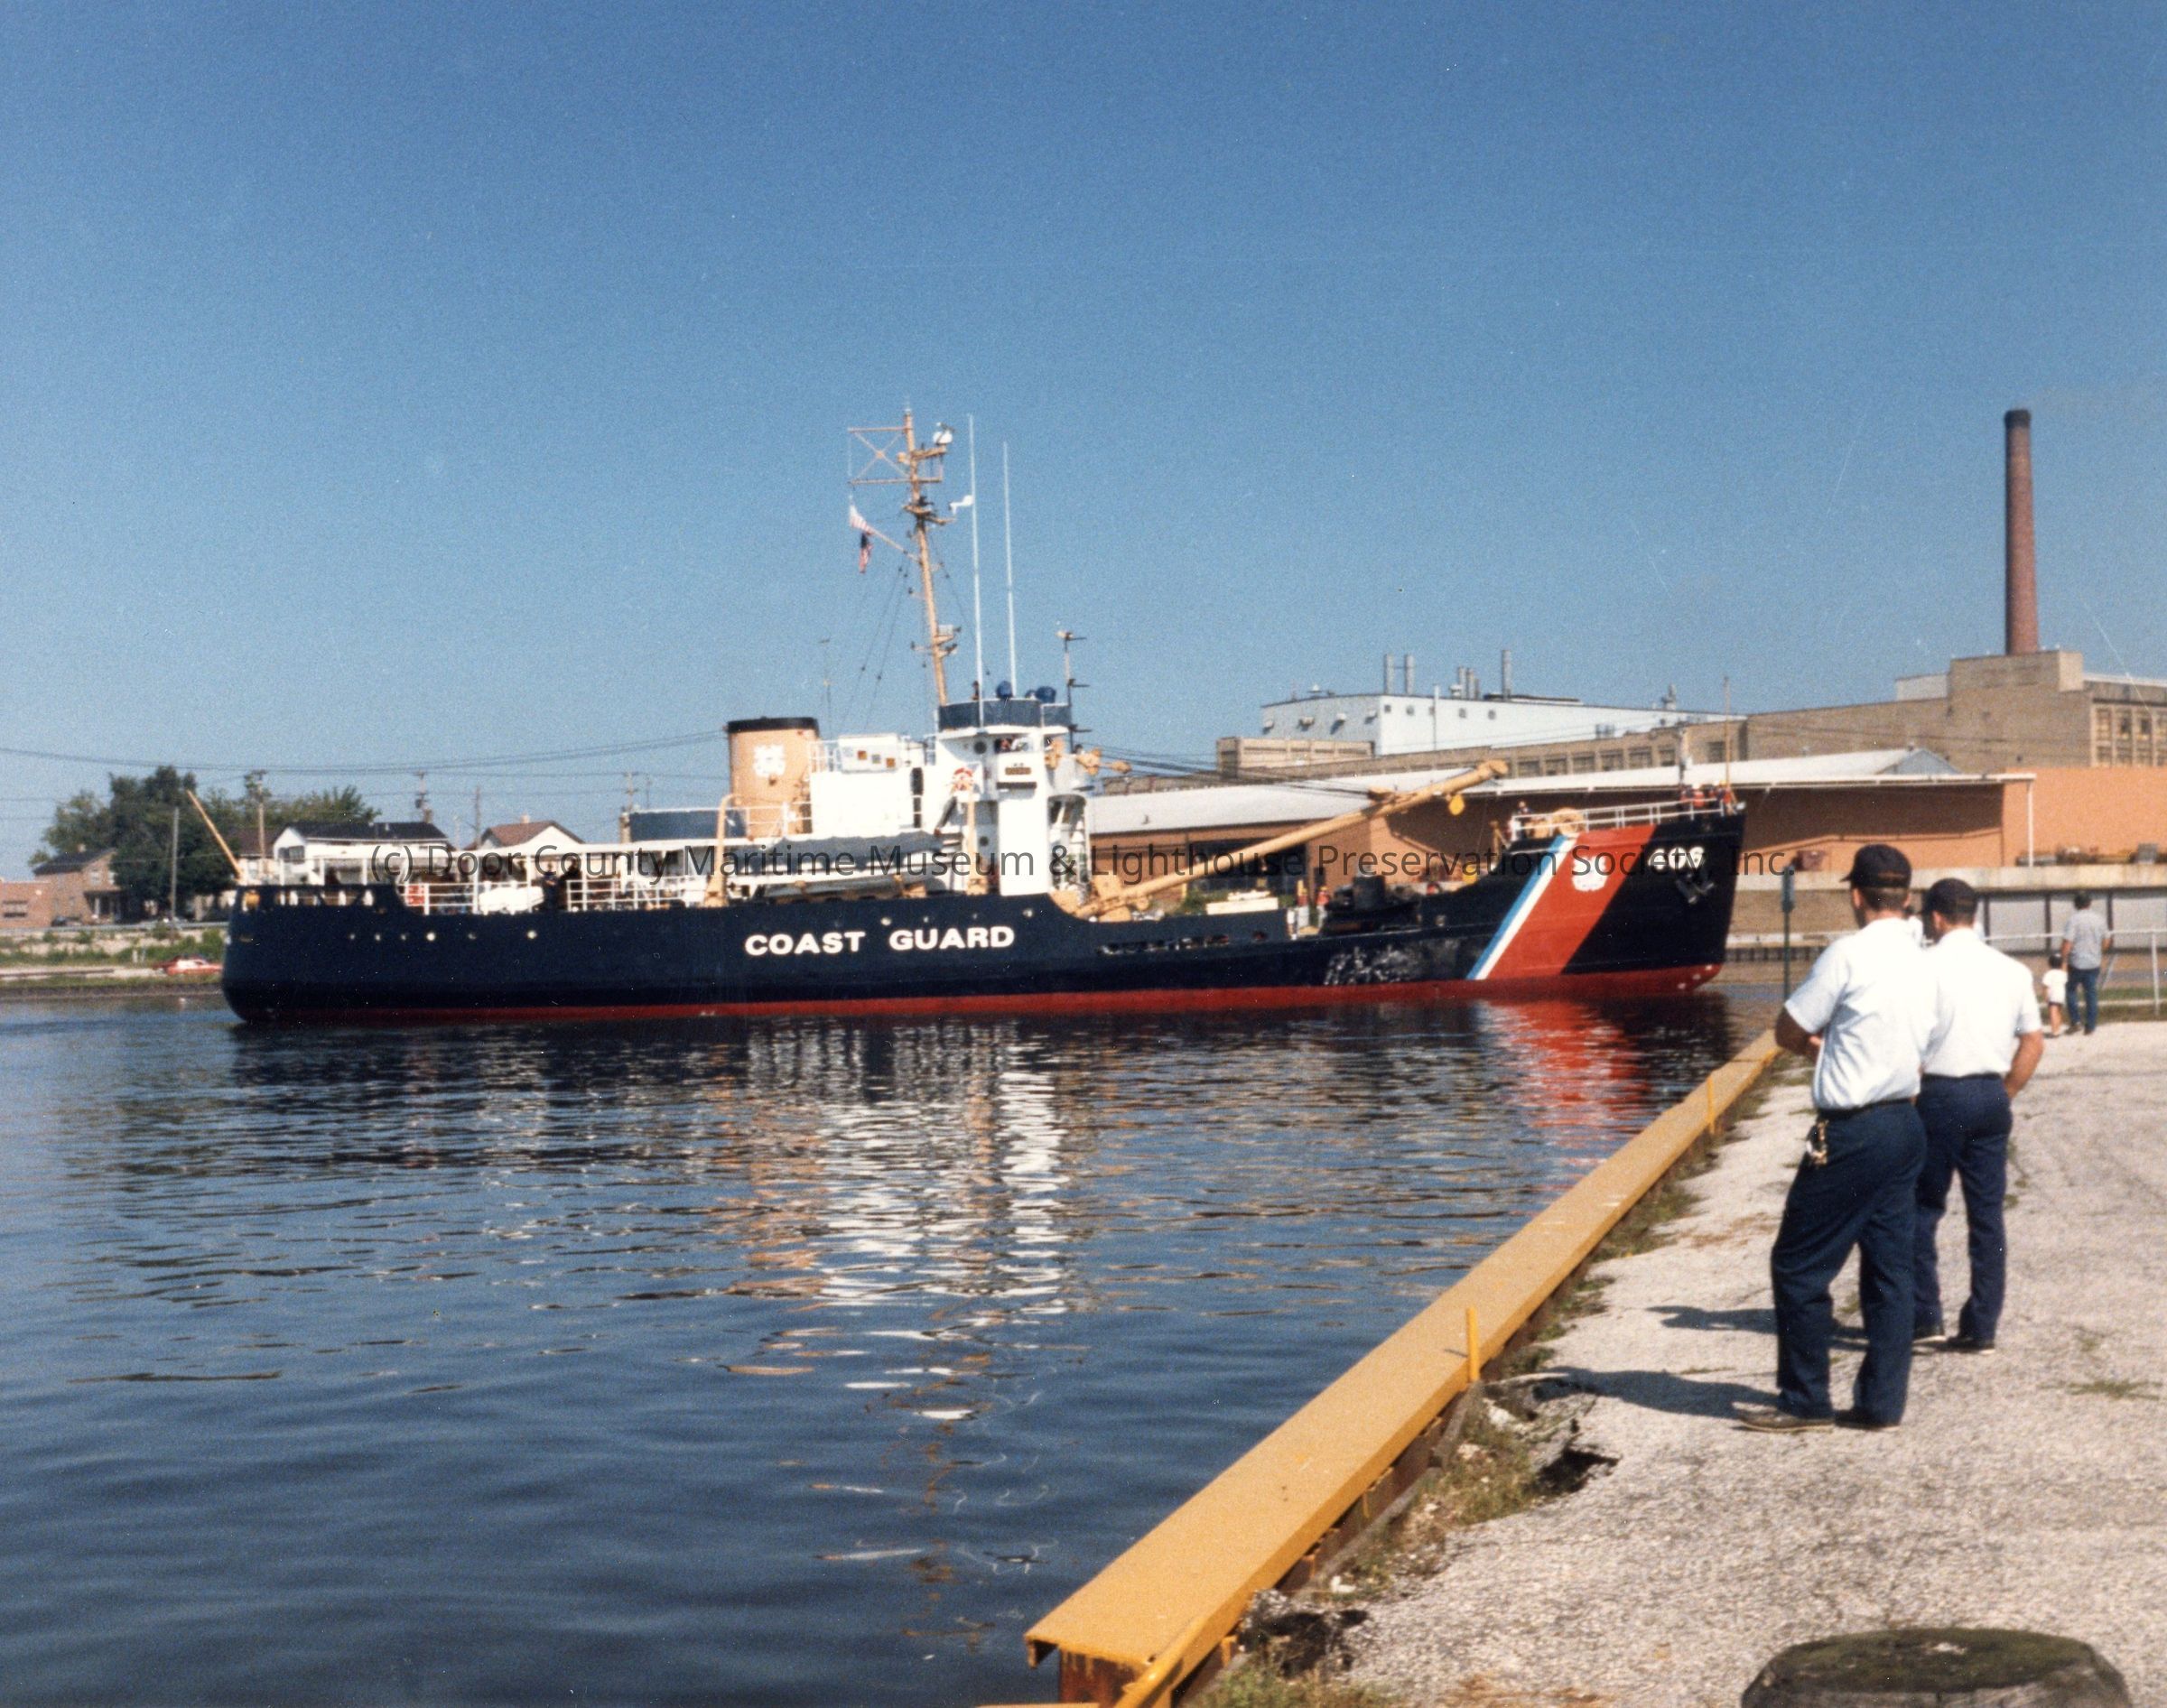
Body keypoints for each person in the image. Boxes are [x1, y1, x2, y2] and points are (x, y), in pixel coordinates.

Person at [1742, 844, 1950, 1434]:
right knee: (1889, 1269)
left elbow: (1789, 1028)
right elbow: (1929, 1041)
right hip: (1905, 1124)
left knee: (1798, 1265)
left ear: (1856, 896)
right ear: (1906, 897)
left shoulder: (1847, 954)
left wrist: (1822, 1048)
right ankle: (1881, 1403)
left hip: (1848, 1130)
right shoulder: (1927, 961)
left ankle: (1805, 1400)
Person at [1913, 877, 2044, 1355]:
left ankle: (1925, 1317)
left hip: (1936, 1093)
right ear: (1974, 916)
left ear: (1936, 918)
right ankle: (1982, 1325)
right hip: (1989, 1094)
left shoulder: (1920, 967)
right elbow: (2033, 1043)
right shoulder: (2012, 971)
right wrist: (2005, 1092)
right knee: (1987, 1217)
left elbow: (1907, 1040)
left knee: (1921, 1209)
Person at [2059, 894, 2111, 1035]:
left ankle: (2075, 1021)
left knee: (2070, 990)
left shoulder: (2073, 920)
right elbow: (2107, 940)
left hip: (2076, 962)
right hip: (2093, 962)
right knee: (2091, 994)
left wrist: (2062, 958)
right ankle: (2091, 1026)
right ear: (2089, 903)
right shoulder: (2099, 919)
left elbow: (2068, 942)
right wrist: (2098, 951)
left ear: (2076, 905)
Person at [2041, 951, 2068, 1038]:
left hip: (2053, 996)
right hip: (2061, 996)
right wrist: (2064, 962)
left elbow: (2045, 986)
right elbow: (2065, 971)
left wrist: (2045, 996)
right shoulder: (2063, 974)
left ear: (2050, 963)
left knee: (2053, 1013)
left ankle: (2054, 1031)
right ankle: (2057, 1029)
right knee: (2058, 1012)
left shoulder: (2049, 974)